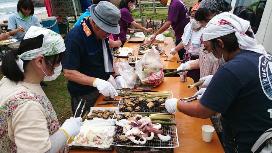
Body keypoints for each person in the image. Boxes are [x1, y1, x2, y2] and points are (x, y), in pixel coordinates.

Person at [165, 12, 272, 153]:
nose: (210, 54)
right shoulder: (261, 56)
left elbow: (203, 111)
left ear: (220, 43)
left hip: (251, 143)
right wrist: (216, 82)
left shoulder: (232, 69)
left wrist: (176, 104)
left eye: (209, 49)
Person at [0, 26, 82, 152]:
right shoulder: (27, 105)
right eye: (57, 61)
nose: (59, 66)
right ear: (39, 61)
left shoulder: (12, 80)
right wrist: (65, 132)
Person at [62, 1, 123, 117]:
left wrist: (117, 75)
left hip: (101, 90)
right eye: (107, 30)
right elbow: (68, 72)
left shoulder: (101, 34)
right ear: (95, 23)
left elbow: (108, 55)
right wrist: (96, 82)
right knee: (83, 126)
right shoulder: (75, 37)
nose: (109, 34)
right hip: (83, 94)